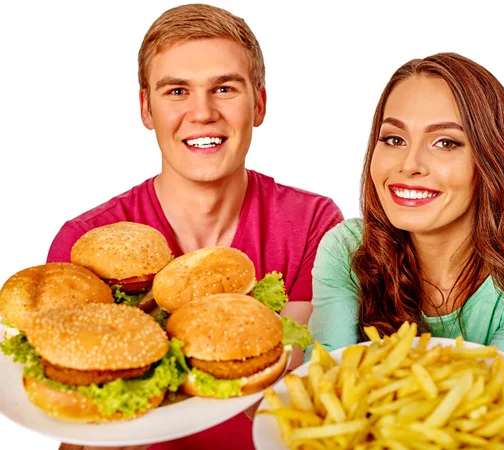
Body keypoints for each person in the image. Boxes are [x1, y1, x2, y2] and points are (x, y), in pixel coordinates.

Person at [49, 4, 343, 450]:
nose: (202, 113)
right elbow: (78, 430)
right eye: (177, 91)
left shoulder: (313, 224)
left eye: (224, 88)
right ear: (146, 108)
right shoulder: (84, 244)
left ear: (258, 103)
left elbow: (290, 385)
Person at [306, 52, 504, 449]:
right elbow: (326, 387)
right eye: (394, 139)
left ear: (493, 161)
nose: (410, 164)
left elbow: (486, 424)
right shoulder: (347, 249)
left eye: (446, 142)